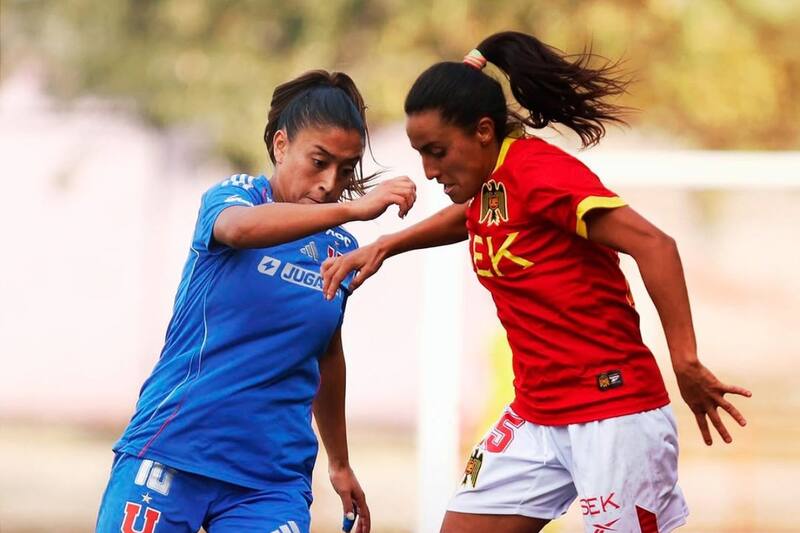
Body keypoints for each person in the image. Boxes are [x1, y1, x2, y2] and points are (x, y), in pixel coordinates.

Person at [321, 32, 751, 533]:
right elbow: (471, 217)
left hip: (611, 414)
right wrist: (386, 244)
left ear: (484, 131)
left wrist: (685, 360)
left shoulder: (539, 172)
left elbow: (656, 245)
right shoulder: (494, 182)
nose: (430, 170)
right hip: (537, 413)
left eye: (437, 151)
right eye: (421, 154)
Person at [96, 70, 416, 533]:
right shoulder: (236, 198)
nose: (331, 182)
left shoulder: (338, 249)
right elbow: (238, 230)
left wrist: (339, 463)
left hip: (269, 481)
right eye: (319, 161)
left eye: (346, 170)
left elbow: (326, 350)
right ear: (281, 145)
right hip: (174, 450)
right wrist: (354, 206)